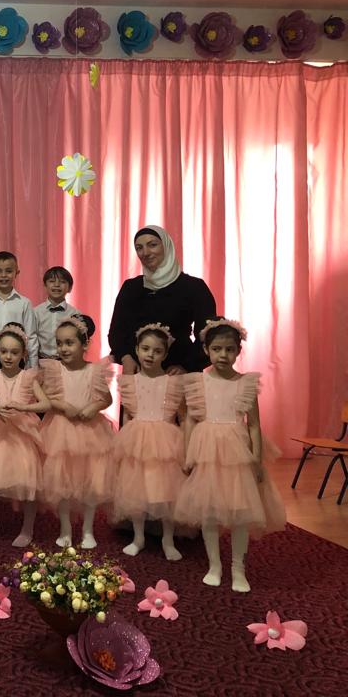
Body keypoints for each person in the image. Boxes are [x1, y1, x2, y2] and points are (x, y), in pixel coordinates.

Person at [173, 318, 285, 593]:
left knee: (240, 515)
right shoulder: (198, 382)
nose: (223, 355)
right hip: (207, 454)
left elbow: (254, 425)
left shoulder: (245, 383)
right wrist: (188, 454)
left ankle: (238, 567)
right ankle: (214, 565)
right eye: (217, 349)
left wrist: (256, 459)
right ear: (206, 350)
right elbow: (190, 421)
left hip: (237, 456)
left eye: (229, 349)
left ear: (238, 351)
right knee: (209, 512)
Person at [39, 315, 115, 550]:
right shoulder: (55, 370)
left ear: (84, 344)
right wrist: (63, 406)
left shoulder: (94, 371)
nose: (63, 348)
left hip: (90, 432)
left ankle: (88, 530)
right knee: (62, 484)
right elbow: (46, 397)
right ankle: (65, 529)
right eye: (59, 343)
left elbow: (107, 398)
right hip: (61, 431)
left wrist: (94, 407)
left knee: (90, 484)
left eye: (69, 343)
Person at [112, 324, 187, 560]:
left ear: (165, 354)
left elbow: (183, 416)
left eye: (157, 351)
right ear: (136, 349)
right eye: (145, 349)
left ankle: (167, 539)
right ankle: (138, 537)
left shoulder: (173, 382)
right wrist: (123, 444)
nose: (150, 355)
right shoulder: (130, 382)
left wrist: (185, 447)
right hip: (136, 442)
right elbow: (127, 415)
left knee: (166, 491)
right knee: (136, 491)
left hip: (166, 444)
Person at [0, 324, 50, 547]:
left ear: (23, 354)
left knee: (27, 481)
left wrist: (24, 407)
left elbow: (46, 404)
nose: (8, 356)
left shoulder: (28, 377)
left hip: (22, 435)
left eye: (14, 352)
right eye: (4, 351)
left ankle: (27, 530)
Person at [108, 225, 217, 375]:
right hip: (138, 372)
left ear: (166, 246)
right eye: (139, 248)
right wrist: (125, 357)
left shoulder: (193, 287)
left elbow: (208, 335)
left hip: (179, 373)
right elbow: (117, 332)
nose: (145, 252)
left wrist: (187, 366)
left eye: (152, 245)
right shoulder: (131, 287)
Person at [33, 267, 81, 360]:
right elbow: (32, 339)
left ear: (70, 288)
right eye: (52, 281)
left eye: (62, 282)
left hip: (67, 361)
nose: (57, 285)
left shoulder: (75, 314)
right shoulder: (36, 312)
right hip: (41, 361)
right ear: (45, 285)